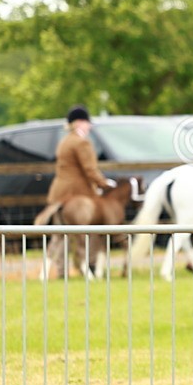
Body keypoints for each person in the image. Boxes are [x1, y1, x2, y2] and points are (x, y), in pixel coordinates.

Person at [39, 105, 116, 274]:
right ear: (79, 123)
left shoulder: (65, 140)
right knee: (91, 230)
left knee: (59, 235)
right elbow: (90, 169)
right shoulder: (82, 142)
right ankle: (91, 267)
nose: (89, 127)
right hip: (77, 192)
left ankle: (54, 271)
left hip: (59, 193)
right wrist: (104, 183)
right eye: (87, 123)